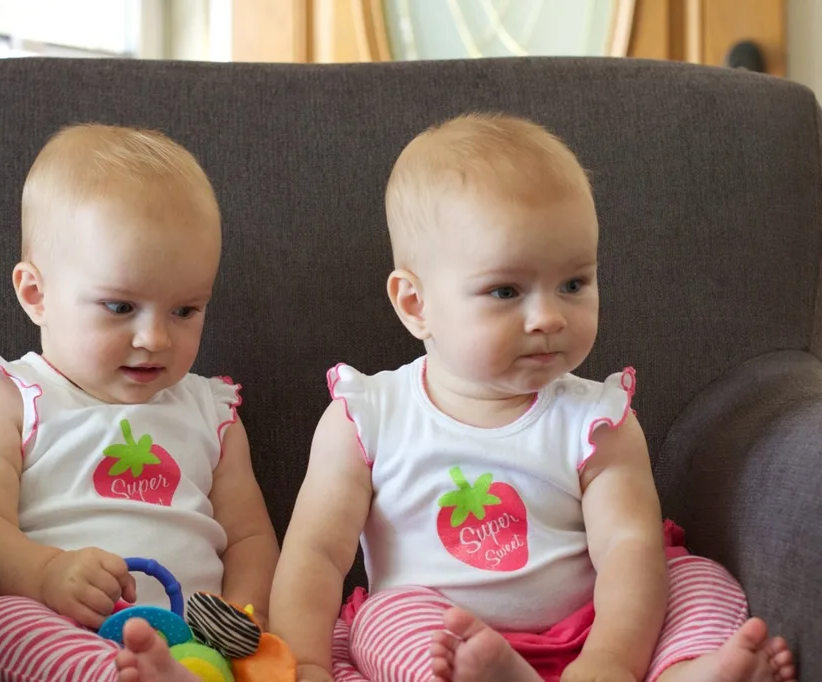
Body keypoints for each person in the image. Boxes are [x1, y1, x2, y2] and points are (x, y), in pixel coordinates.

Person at [270, 113, 796, 682]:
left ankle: (684, 672)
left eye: (573, 284)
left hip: (595, 632)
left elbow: (626, 549)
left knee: (692, 577)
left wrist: (608, 660)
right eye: (506, 290)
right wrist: (304, 664)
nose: (547, 317)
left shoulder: (599, 420)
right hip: (447, 642)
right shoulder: (367, 417)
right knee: (384, 620)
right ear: (416, 304)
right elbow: (315, 556)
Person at [0, 123, 279, 682]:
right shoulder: (5, 399)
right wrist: (46, 574)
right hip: (51, 617)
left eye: (185, 310)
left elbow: (248, 537)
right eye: (120, 308)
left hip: (194, 642)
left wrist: (245, 615)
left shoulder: (211, 413)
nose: (157, 339)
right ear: (36, 295)